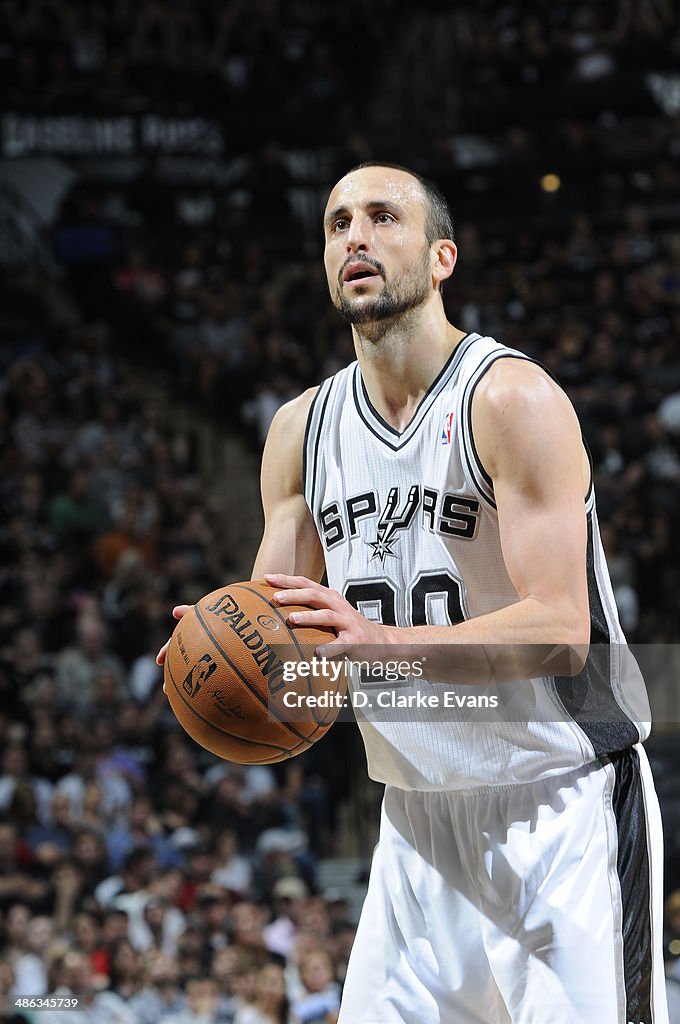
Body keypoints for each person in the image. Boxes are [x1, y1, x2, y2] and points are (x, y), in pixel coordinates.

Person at [158, 163, 667, 1023]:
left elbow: (560, 629)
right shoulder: (299, 431)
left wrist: (381, 647)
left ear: (441, 258)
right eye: (336, 223)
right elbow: (284, 645)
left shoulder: (509, 397)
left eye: (383, 218)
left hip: (560, 805)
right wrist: (217, 656)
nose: (354, 236)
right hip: (414, 826)